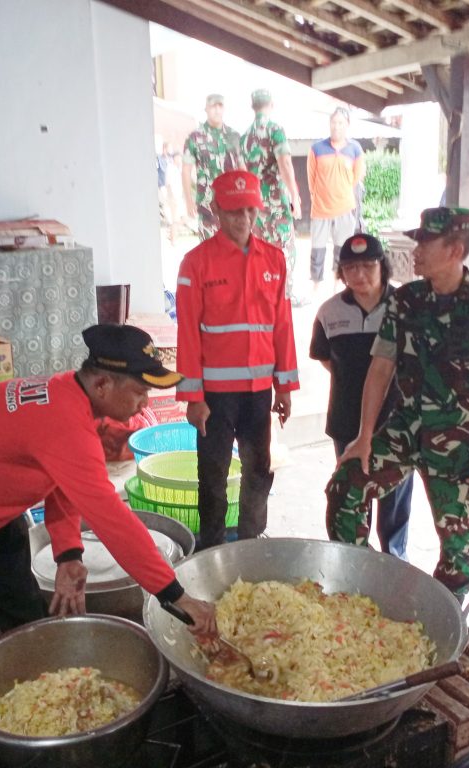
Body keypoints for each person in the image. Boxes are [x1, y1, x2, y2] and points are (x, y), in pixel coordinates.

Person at [0, 324, 218, 754]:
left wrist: (69, 554)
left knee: (26, 615)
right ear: (102, 382)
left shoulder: (73, 399)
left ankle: (42, 718)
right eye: (138, 392)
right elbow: (111, 517)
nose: (144, 404)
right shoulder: (65, 422)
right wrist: (175, 595)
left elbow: (62, 483)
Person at [325, 207, 469, 598]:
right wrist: (364, 437)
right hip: (406, 428)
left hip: (460, 441)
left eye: (426, 243)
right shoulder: (407, 300)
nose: (415, 251)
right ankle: (359, 587)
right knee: (347, 485)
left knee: (456, 547)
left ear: (456, 249)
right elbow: (380, 368)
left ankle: (449, 616)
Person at [175, 170, 299, 549]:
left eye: (249, 210)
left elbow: (282, 326)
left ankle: (251, 542)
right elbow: (188, 335)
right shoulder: (196, 264)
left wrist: (285, 386)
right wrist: (193, 399)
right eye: (232, 211)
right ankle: (211, 549)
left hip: (259, 393)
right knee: (211, 476)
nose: (242, 219)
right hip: (215, 395)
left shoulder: (274, 260)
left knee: (258, 470)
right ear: (214, 210)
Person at [310, 233, 414, 559]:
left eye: (368, 266)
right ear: (341, 272)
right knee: (354, 491)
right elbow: (326, 359)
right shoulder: (329, 312)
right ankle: (359, 561)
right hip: (346, 421)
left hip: (396, 423)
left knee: (395, 498)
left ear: (383, 266)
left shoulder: (405, 307)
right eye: (350, 267)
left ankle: (394, 557)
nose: (360, 275)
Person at [242, 89, 302, 300]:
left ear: (253, 106)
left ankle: (261, 292)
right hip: (275, 203)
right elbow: (284, 163)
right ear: (272, 104)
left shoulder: (245, 137)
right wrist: (294, 195)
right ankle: (284, 294)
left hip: (254, 206)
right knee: (284, 248)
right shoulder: (275, 130)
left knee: (259, 249)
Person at [307, 107, 365, 297]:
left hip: (344, 207)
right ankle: (315, 284)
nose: (336, 126)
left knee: (342, 247)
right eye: (333, 122)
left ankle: (338, 282)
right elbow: (311, 178)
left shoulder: (355, 149)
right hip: (321, 208)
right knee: (317, 248)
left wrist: (342, 192)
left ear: (347, 125)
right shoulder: (316, 148)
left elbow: (357, 177)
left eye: (340, 123)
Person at [183, 93, 245, 242]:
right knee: (208, 254)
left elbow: (242, 169)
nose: (217, 110)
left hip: (232, 206)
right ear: (206, 109)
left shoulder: (234, 136)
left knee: (233, 253)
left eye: (220, 106)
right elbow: (186, 170)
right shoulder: (195, 137)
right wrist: (188, 200)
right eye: (213, 106)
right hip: (207, 207)